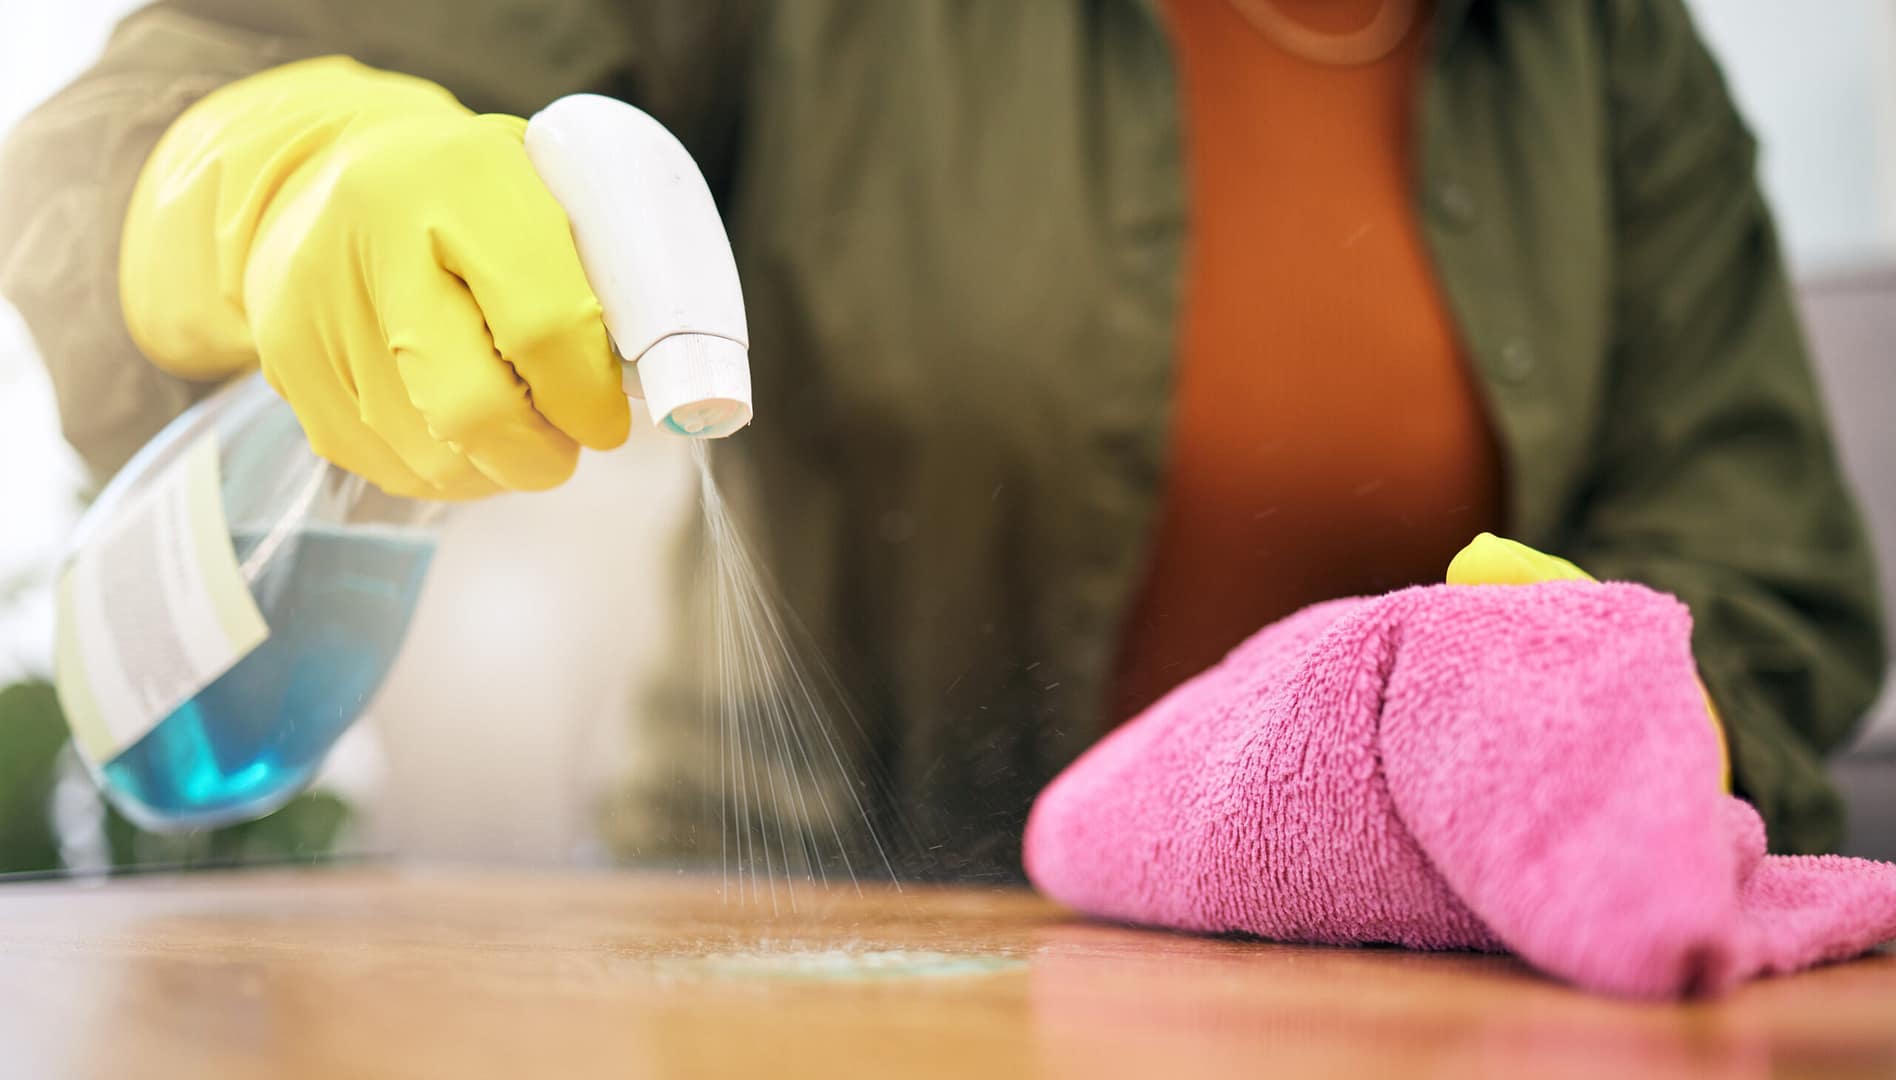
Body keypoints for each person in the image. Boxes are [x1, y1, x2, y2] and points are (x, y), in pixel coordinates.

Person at [0, 0, 1882, 878]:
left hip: (1405, 1016)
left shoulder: (1617, 67)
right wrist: (285, 181)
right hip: (781, 977)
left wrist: (1577, 738)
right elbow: (109, 131)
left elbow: (1771, 575)